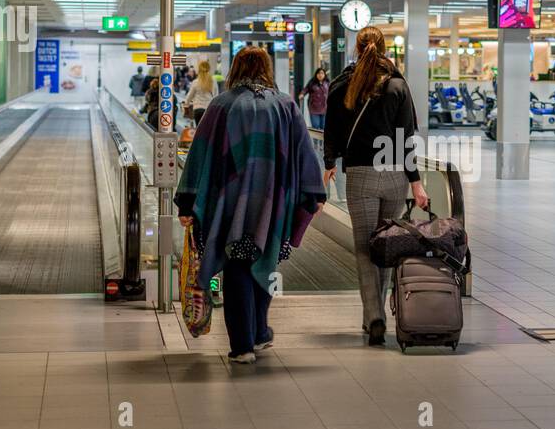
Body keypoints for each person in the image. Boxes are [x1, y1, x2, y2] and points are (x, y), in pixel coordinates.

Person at [176, 47, 325, 363]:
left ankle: (243, 344)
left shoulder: (222, 105)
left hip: (230, 203)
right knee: (265, 259)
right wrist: (314, 196)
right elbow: (304, 152)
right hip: (275, 203)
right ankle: (258, 333)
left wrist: (187, 203)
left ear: (236, 69)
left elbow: (199, 155)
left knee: (237, 266)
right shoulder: (284, 105)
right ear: (267, 69)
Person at [324, 26, 429, 346]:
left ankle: (374, 317)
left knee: (363, 249)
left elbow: (331, 127)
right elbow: (405, 139)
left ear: (356, 49)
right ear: (385, 48)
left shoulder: (343, 84)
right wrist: (416, 184)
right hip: (395, 175)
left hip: (360, 175)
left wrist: (329, 163)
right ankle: (377, 312)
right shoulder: (398, 85)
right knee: (385, 245)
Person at [185, 60, 216, 125]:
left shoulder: (196, 82)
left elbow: (189, 96)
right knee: (208, 130)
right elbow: (216, 96)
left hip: (198, 109)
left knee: (199, 130)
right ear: (209, 69)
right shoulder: (213, 82)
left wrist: (186, 104)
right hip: (209, 110)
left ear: (199, 70)